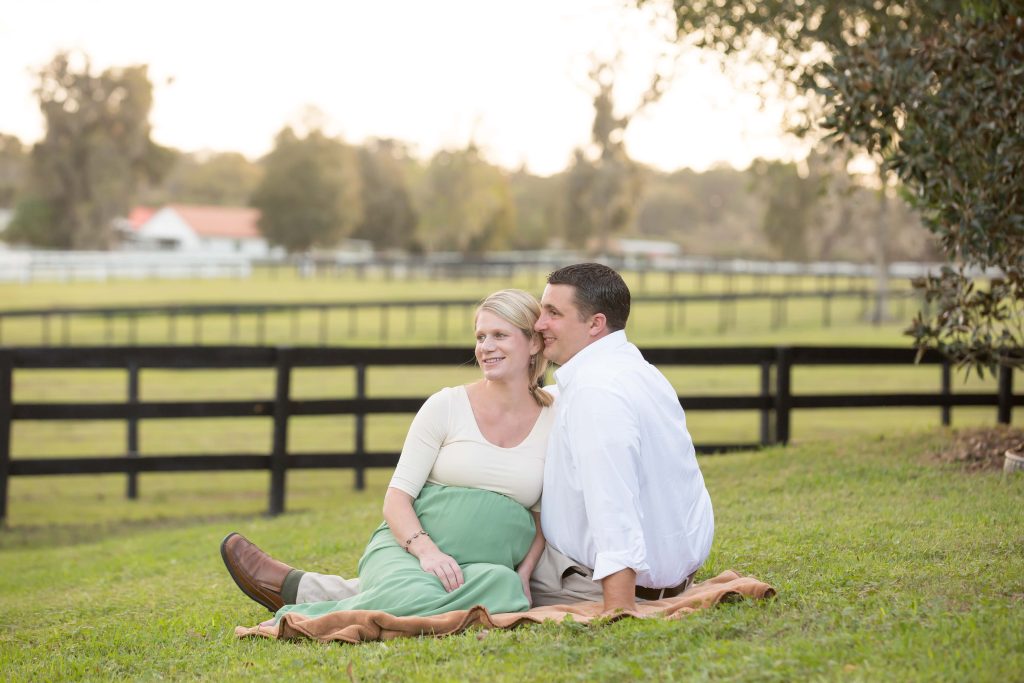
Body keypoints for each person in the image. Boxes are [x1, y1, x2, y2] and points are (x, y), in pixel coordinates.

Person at [221, 289, 554, 618]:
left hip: (483, 567)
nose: (486, 347)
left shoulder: (553, 418)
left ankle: (300, 590)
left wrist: (523, 572)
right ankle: (314, 612)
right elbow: (396, 498)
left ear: (534, 343)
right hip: (410, 551)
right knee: (421, 590)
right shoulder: (447, 405)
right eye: (481, 336)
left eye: (500, 335)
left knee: (504, 587)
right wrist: (428, 553)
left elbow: (542, 517)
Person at [526, 262, 714, 613]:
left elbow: (612, 505)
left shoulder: (595, 393)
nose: (539, 325)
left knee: (480, 564)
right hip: (673, 575)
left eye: (553, 313)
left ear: (595, 324)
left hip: (591, 584)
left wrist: (618, 611)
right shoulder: (639, 372)